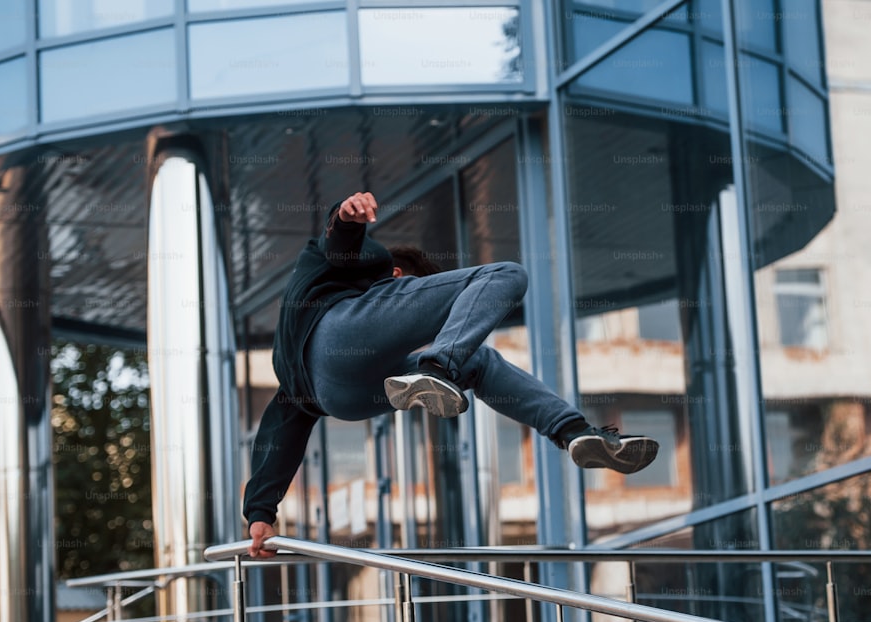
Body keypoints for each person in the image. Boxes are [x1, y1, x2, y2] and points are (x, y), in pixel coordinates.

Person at [244, 192, 659, 558]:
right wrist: (345, 216)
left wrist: (261, 512)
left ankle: (572, 430)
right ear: (399, 281)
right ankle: (439, 366)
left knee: (478, 361)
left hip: (334, 398)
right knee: (505, 275)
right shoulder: (371, 267)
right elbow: (340, 246)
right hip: (339, 331)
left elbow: (281, 429)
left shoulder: (294, 367)